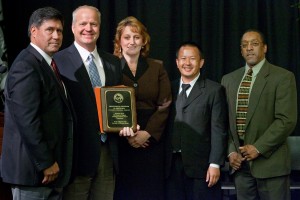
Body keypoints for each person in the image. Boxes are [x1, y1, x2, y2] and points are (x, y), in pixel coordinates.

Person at [0, 7, 74, 199]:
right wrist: (46, 162)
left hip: (49, 174)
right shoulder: (26, 66)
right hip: (34, 174)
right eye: (50, 30)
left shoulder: (47, 64)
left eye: (59, 30)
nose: (56, 36)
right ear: (34, 32)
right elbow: (27, 121)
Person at [53, 5, 122, 200]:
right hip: (76, 157)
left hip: (108, 154)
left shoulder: (113, 62)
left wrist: (125, 123)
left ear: (100, 27)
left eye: (94, 24)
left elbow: (117, 103)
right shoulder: (58, 61)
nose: (88, 28)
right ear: (73, 28)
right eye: (83, 23)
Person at [221, 29, 297, 200]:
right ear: (241, 50)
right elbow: (223, 121)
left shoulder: (283, 77)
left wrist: (258, 148)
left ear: (265, 48)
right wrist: (231, 152)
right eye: (244, 45)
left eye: (254, 44)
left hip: (271, 165)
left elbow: (286, 120)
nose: (249, 48)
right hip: (240, 167)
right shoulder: (228, 80)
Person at [113, 16, 172, 200]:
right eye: (127, 37)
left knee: (151, 190)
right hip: (121, 138)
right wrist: (129, 134)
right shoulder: (109, 66)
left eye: (137, 37)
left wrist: (148, 133)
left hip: (151, 139)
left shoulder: (157, 67)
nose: (132, 42)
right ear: (119, 41)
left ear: (144, 40)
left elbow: (165, 103)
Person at [165, 42, 228, 200]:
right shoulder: (167, 88)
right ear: (177, 62)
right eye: (183, 58)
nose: (187, 63)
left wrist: (215, 164)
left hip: (202, 168)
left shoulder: (214, 90)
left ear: (201, 62)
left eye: (192, 59)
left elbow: (218, 130)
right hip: (170, 167)